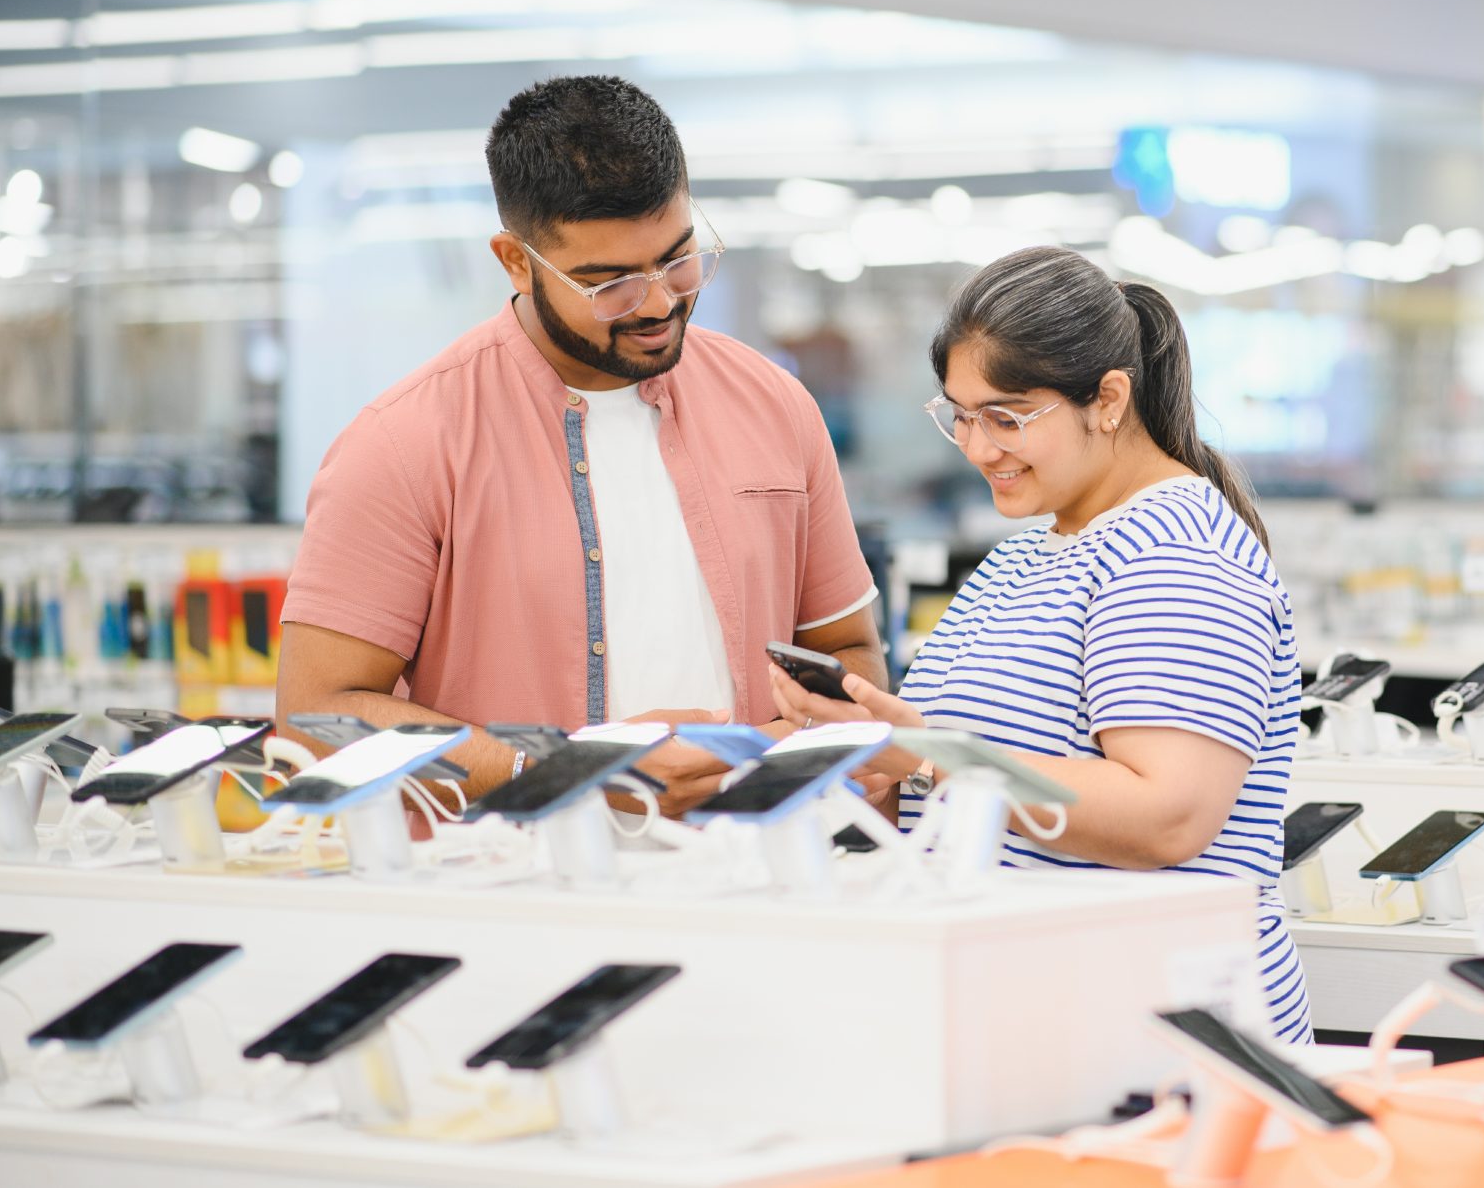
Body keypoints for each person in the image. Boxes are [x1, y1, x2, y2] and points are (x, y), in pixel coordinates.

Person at [277, 76, 884, 813]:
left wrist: (808, 751)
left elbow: (850, 655)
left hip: (757, 882)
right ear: (515, 260)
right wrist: (578, 776)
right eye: (611, 284)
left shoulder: (776, 405)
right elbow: (316, 719)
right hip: (520, 898)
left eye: (678, 258)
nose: (658, 303)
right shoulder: (405, 442)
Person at [767, 246, 1311, 1043]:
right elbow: (979, 771)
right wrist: (876, 764)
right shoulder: (1029, 551)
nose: (979, 447)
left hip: (1166, 1023)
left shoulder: (1175, 555)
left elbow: (1168, 815)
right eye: (959, 414)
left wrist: (925, 755)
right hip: (1043, 1007)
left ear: (1110, 399)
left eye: (1008, 416)